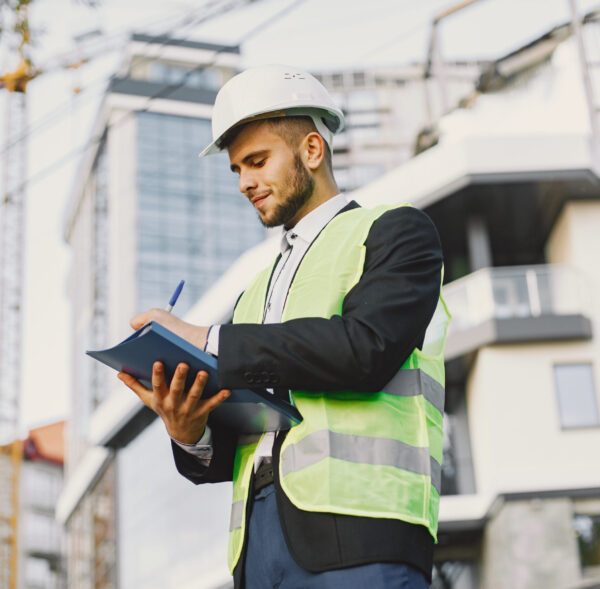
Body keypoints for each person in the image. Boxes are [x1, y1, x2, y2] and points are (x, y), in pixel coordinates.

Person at [118, 64, 449, 589]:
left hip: (363, 536)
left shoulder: (395, 232)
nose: (245, 182)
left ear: (312, 151)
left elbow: (365, 351)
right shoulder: (254, 293)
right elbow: (247, 435)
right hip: (259, 553)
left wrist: (205, 338)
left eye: (257, 161)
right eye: (236, 170)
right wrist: (190, 432)